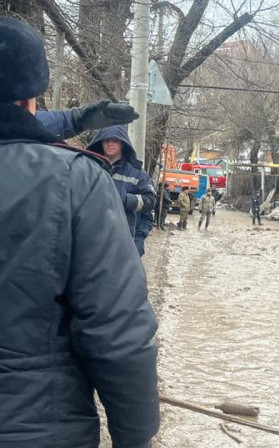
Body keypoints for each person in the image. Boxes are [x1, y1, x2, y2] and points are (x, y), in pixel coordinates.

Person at [0, 16, 159, 448]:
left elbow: (149, 206)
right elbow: (116, 331)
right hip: (38, 429)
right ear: (32, 98)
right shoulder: (76, 178)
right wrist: (135, 436)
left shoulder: (118, 173)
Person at [86, 125, 156, 256]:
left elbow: (150, 202)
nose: (109, 143)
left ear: (123, 143)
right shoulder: (89, 168)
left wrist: (124, 199)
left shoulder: (137, 174)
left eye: (114, 140)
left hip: (123, 244)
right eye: (106, 139)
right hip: (90, 243)